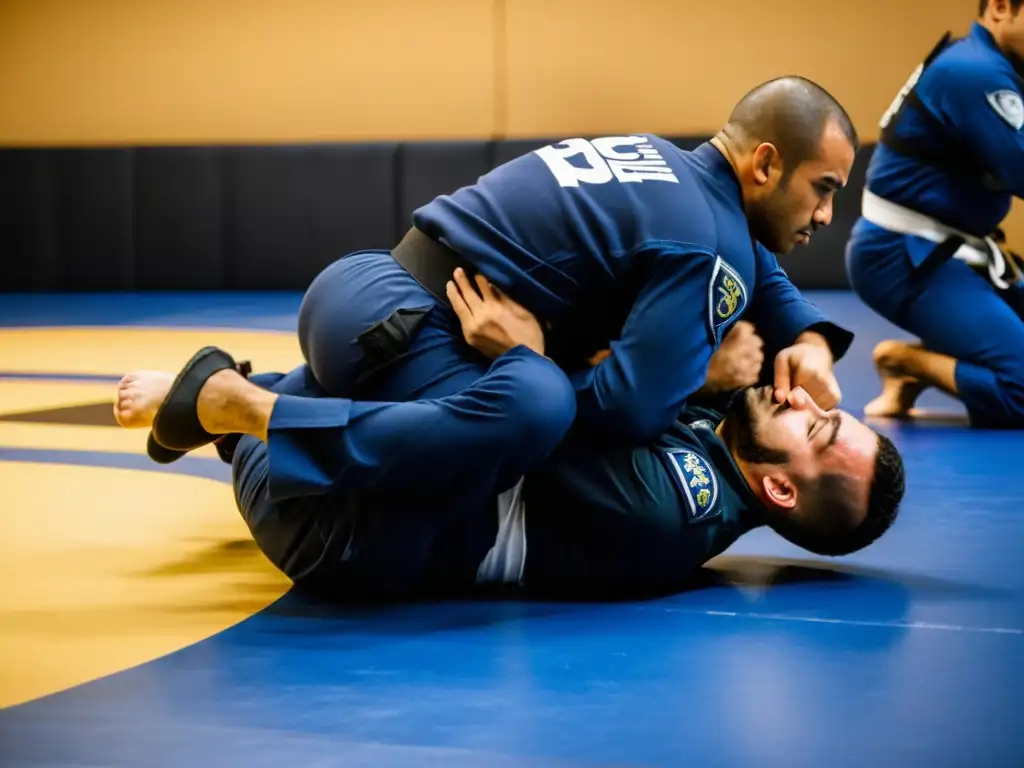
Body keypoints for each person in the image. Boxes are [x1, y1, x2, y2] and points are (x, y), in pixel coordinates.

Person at [146, 75, 859, 483]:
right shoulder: (710, 242)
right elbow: (628, 413)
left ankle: (228, 400)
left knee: (518, 393)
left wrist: (811, 339)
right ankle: (245, 414)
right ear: (764, 165)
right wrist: (532, 359)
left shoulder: (663, 163)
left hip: (364, 291)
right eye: (822, 189)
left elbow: (755, 266)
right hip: (407, 337)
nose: (827, 215)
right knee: (537, 407)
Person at [112, 272, 905, 601]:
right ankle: (231, 407)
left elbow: (544, 412)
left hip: (336, 524)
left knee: (513, 385)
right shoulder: (734, 435)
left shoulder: (677, 509)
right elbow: (741, 252)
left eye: (818, 424)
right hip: (385, 462)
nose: (804, 398)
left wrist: (532, 347)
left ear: (779, 487)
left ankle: (234, 406)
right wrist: (798, 328)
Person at [845, 0, 1024, 426]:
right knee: (1021, 388)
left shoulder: (999, 66)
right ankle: (907, 362)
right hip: (901, 257)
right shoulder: (973, 72)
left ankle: (934, 359)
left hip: (952, 252)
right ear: (1000, 7)